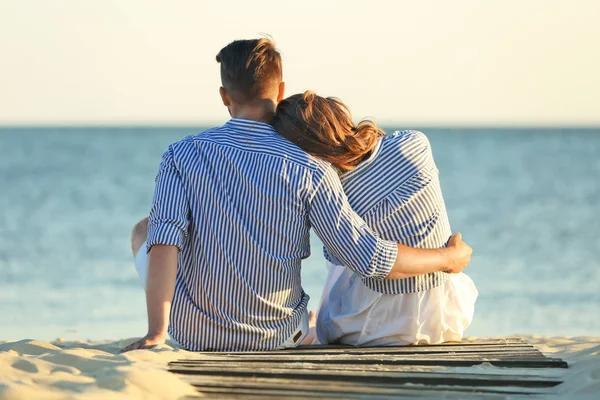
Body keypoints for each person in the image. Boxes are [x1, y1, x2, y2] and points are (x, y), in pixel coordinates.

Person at [121, 38, 472, 353]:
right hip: (277, 338)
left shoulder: (180, 155)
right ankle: (304, 322)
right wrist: (447, 258)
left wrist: (157, 333)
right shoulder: (311, 168)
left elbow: (164, 242)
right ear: (280, 89)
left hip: (195, 336)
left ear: (225, 96)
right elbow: (367, 258)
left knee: (146, 230)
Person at [272, 91, 478, 346]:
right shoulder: (415, 143)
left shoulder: (328, 189)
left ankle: (313, 332)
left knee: (342, 258)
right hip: (446, 317)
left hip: (376, 329)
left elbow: (347, 259)